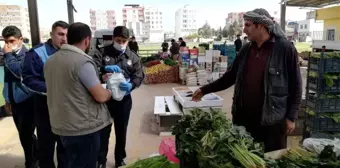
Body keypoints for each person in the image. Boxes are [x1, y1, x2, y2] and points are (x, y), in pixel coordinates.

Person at [192, 8, 302, 152]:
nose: (244, 30)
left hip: (272, 122)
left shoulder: (285, 49)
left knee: (271, 159)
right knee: (246, 158)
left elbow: (296, 86)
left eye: (248, 25)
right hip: (244, 120)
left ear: (260, 26)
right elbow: (229, 77)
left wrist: (291, 117)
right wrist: (204, 90)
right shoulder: (246, 49)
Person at [44, 22, 113, 168]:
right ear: (87, 40)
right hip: (82, 128)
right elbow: (100, 96)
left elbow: (70, 86)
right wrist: (110, 92)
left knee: (68, 162)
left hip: (61, 125)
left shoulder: (50, 61)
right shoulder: (82, 62)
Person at [92, 26, 144, 168]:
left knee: (121, 131)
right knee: (104, 131)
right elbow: (91, 69)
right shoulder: (102, 52)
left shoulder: (132, 56)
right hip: (105, 100)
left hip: (124, 101)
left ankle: (119, 158)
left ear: (128, 40)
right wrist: (103, 69)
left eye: (124, 41)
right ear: (113, 39)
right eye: (118, 40)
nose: (121, 43)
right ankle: (101, 160)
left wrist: (132, 85)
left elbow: (139, 75)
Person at [22, 20, 69, 168]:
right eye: (60, 34)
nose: (64, 38)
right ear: (51, 34)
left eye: (67, 35)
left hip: (67, 108)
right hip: (45, 108)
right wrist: (54, 89)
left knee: (65, 148)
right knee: (46, 149)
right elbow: (28, 79)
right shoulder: (36, 53)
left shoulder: (70, 52)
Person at [2, 26, 38, 168]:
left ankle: (31, 162)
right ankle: (35, 156)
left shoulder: (28, 55)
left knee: (26, 135)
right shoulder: (8, 54)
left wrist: (8, 55)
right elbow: (8, 79)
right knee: (25, 134)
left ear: (20, 40)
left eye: (11, 41)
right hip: (15, 101)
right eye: (6, 41)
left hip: (27, 100)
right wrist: (7, 99)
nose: (8, 45)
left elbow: (19, 73)